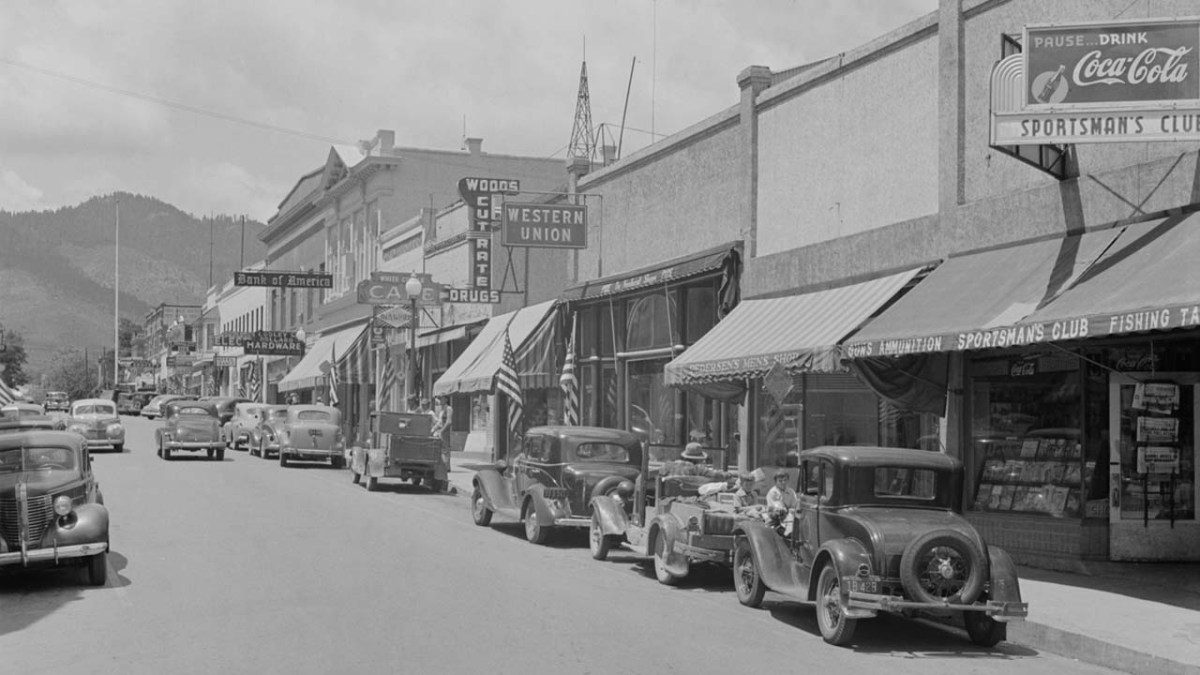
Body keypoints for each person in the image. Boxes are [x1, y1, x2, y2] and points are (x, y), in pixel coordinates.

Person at [766, 470, 799, 534]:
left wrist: (793, 510)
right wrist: (787, 511)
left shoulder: (791, 492)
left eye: (785, 480)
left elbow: (794, 506)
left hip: (789, 517)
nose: (783, 482)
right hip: (775, 519)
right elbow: (779, 508)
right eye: (780, 481)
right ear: (775, 482)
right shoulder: (773, 492)